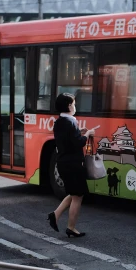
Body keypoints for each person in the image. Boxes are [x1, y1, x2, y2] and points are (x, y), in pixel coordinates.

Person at [46, 92, 95, 238]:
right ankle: (71, 227)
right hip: (73, 164)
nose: (75, 106)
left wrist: (78, 132)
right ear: (69, 106)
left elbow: (67, 139)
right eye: (73, 104)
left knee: (74, 193)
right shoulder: (71, 121)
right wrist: (87, 134)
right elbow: (78, 143)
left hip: (63, 163)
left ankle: (55, 215)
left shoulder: (59, 121)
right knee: (78, 196)